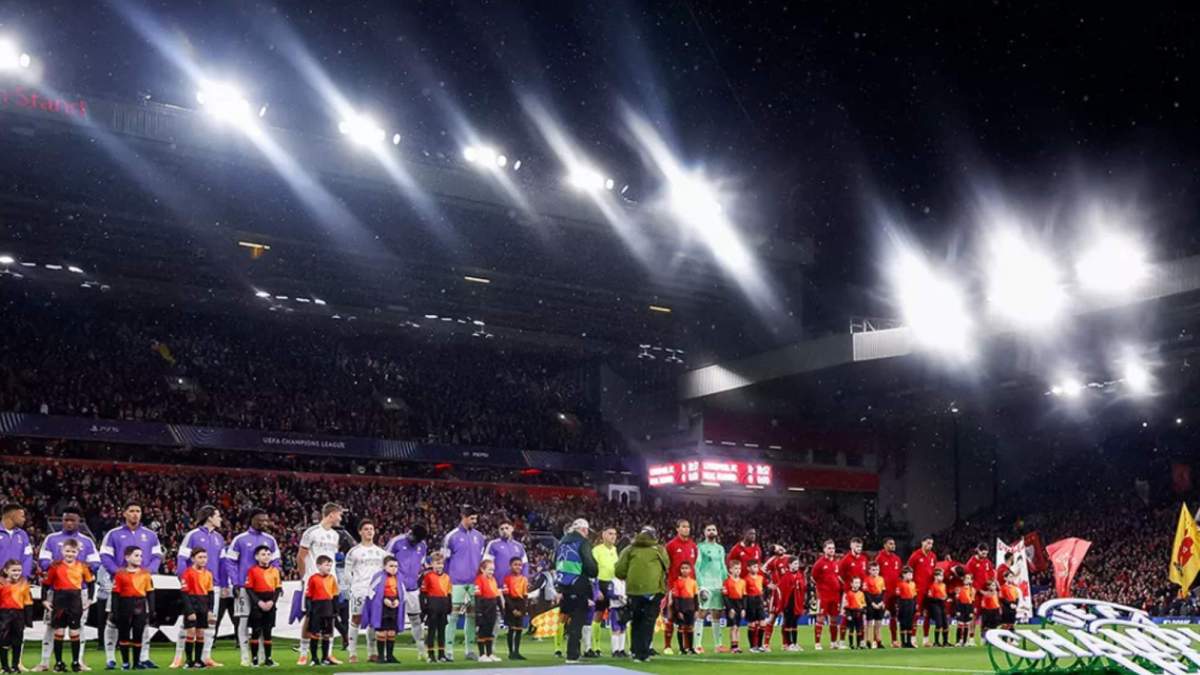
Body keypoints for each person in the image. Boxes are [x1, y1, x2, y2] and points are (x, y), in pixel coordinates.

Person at [99, 503, 162, 670]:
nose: (135, 514)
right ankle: (111, 658)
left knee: (144, 620)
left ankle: (144, 657)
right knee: (113, 619)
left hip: (142, 582)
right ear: (124, 513)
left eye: (138, 511)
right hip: (120, 582)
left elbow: (157, 555)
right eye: (132, 511)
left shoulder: (150, 535)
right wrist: (117, 572)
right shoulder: (114, 534)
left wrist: (150, 571)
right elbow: (105, 556)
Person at [36, 508, 100, 673]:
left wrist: (81, 567)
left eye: (73, 520)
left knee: (79, 626)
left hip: (80, 590)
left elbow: (96, 563)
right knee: (51, 626)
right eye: (66, 520)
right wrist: (58, 566)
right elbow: (43, 560)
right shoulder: (51, 538)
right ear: (62, 520)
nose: (69, 523)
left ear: (79, 521)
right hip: (55, 590)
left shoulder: (87, 541)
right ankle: (44, 662)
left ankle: (78, 661)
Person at [222, 509, 280, 667]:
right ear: (252, 520)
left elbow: (276, 563)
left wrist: (274, 583)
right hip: (245, 588)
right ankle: (245, 656)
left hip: (265, 590)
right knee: (243, 620)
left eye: (266, 520)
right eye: (261, 520)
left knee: (263, 623)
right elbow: (230, 562)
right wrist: (235, 582)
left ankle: (262, 656)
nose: (265, 523)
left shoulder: (270, 540)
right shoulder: (240, 539)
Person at [171, 506, 225, 669]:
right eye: (218, 515)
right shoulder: (192, 535)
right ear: (209, 517)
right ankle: (179, 657)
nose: (220, 519)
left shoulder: (219, 538)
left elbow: (222, 564)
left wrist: (223, 584)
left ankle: (206, 657)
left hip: (212, 585)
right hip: (193, 586)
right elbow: (181, 558)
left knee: (210, 622)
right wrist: (182, 579)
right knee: (187, 623)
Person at [296, 503, 344, 666]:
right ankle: (303, 653)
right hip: (313, 580)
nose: (341, 518)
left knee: (329, 618)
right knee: (309, 617)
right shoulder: (311, 532)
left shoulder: (335, 535)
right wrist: (304, 578)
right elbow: (300, 557)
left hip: (331, 581)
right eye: (339, 514)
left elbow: (332, 557)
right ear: (331, 514)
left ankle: (328, 654)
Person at [614, 526, 667, 664]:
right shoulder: (659, 550)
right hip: (653, 590)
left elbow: (619, 571)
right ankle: (644, 653)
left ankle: (635, 652)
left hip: (634, 591)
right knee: (648, 622)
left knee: (636, 621)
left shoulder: (629, 550)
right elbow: (667, 566)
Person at [41, 539, 93, 673]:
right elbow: (46, 584)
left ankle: (76, 662)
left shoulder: (82, 566)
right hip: (59, 600)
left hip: (75, 600)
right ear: (62, 551)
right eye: (67, 551)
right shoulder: (55, 566)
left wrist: (90, 599)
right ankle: (59, 663)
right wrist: (44, 600)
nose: (70, 554)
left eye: (73, 551)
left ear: (77, 552)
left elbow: (90, 582)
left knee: (74, 631)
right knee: (59, 631)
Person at [442, 505, 486, 662]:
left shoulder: (480, 537)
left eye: (476, 518)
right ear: (463, 517)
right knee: (452, 617)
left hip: (474, 583)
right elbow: (444, 561)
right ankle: (448, 651)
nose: (474, 521)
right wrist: (447, 582)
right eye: (472, 518)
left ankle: (469, 650)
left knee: (472, 617)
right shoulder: (451, 537)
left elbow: (481, 561)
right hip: (456, 582)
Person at [554, 519, 598, 664]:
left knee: (567, 619)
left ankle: (566, 650)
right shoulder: (583, 543)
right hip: (578, 584)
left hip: (563, 585)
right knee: (578, 620)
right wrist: (593, 571)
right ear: (584, 530)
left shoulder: (561, 543)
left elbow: (554, 561)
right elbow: (590, 566)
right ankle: (573, 655)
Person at [344, 520, 386, 664]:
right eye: (366, 529)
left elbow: (384, 573)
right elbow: (347, 572)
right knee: (356, 619)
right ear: (360, 532)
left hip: (375, 593)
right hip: (359, 590)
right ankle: (352, 652)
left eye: (371, 529)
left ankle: (372, 652)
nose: (369, 531)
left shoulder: (381, 553)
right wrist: (353, 587)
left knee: (373, 621)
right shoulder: (354, 552)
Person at [384, 525, 428, 658]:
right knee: (390, 620)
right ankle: (386, 653)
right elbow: (385, 562)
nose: (413, 540)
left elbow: (422, 565)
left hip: (413, 588)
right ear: (409, 531)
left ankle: (421, 651)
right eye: (412, 536)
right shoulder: (396, 542)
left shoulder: (423, 546)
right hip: (396, 587)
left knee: (416, 619)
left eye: (416, 540)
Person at [111, 548, 154, 671]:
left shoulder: (146, 574)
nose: (139, 558)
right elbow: (115, 595)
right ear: (127, 558)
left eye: (141, 555)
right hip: (125, 605)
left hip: (140, 605)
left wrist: (151, 610)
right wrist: (114, 611)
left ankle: (136, 663)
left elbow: (150, 593)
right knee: (124, 635)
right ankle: (125, 663)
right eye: (136, 555)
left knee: (138, 634)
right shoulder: (120, 574)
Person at [359, 556, 404, 664]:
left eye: (396, 566)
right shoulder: (378, 577)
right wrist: (383, 600)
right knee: (382, 632)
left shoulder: (399, 577)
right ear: (384, 566)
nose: (394, 568)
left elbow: (402, 593)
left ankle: (390, 656)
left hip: (394, 605)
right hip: (381, 607)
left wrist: (398, 601)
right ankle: (380, 656)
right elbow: (371, 593)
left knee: (392, 632)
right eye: (391, 566)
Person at [660, 520, 696, 655]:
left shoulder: (693, 546)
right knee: (670, 616)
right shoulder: (671, 545)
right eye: (683, 527)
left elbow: (693, 566)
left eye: (688, 526)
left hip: (689, 588)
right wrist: (668, 585)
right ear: (677, 529)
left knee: (687, 619)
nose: (686, 529)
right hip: (674, 587)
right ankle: (667, 646)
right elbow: (665, 565)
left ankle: (687, 647)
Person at [244, 546, 282, 667]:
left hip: (270, 603)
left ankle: (268, 659)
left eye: (268, 554)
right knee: (255, 632)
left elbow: (278, 589)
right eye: (263, 554)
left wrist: (272, 602)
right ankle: (254, 659)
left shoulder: (275, 570)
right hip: (257, 605)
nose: (266, 556)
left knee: (268, 632)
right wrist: (259, 602)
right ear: (257, 557)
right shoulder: (252, 571)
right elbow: (249, 589)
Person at [695, 524, 728, 654]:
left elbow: (723, 566)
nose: (711, 531)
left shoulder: (720, 548)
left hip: (718, 585)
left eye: (714, 529)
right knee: (702, 612)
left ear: (717, 532)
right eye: (709, 530)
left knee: (717, 614)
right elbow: (696, 566)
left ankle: (718, 645)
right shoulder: (700, 547)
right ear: (704, 533)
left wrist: (726, 582)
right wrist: (701, 585)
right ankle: (697, 645)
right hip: (706, 585)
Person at [178, 550, 214, 669]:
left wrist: (210, 610)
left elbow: (210, 593)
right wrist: (189, 611)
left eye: (205, 557)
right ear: (193, 559)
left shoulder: (208, 574)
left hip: (203, 604)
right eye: (200, 557)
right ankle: (189, 661)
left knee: (200, 633)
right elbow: (184, 594)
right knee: (191, 632)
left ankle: (198, 660)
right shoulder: (187, 573)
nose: (203, 559)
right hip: (192, 603)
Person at [304, 555, 339, 666]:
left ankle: (325, 658)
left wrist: (335, 610)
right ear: (319, 566)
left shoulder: (332, 578)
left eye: (330, 565)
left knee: (327, 635)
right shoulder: (313, 578)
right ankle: (314, 658)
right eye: (326, 565)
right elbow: (308, 596)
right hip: (317, 609)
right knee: (315, 634)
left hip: (328, 608)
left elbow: (335, 596)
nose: (329, 567)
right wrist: (309, 609)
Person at [590, 528, 619, 657]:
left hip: (613, 585)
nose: (613, 536)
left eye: (615, 534)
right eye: (610, 534)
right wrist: (596, 589)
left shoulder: (615, 550)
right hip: (601, 583)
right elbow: (593, 569)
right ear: (603, 535)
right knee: (598, 615)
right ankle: (596, 647)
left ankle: (617, 648)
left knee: (616, 615)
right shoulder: (596, 550)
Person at [1, 559, 33, 674]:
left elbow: (28, 601)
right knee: (4, 641)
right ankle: (5, 667)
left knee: (17, 641)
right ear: (6, 570)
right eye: (14, 570)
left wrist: (28, 620)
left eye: (19, 570)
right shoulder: (1, 583)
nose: (16, 573)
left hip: (19, 615)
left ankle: (15, 666)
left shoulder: (24, 583)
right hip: (4, 615)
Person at [419, 553, 452, 663]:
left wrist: (449, 606)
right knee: (432, 631)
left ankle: (442, 654)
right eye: (437, 563)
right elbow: (423, 593)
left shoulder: (447, 577)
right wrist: (424, 608)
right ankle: (431, 655)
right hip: (433, 605)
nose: (440, 566)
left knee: (442, 631)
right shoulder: (428, 576)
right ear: (432, 564)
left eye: (441, 563)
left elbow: (449, 593)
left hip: (443, 605)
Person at [837, 537, 869, 649]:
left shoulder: (864, 559)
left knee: (860, 618)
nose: (859, 548)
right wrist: (847, 586)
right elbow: (839, 575)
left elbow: (864, 574)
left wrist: (863, 585)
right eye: (856, 546)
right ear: (851, 546)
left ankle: (861, 642)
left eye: (860, 546)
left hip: (860, 593)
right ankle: (841, 641)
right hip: (848, 593)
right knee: (846, 617)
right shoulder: (846, 559)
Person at [811, 539, 842, 650]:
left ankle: (833, 642)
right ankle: (817, 643)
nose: (831, 550)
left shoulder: (836, 563)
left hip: (835, 595)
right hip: (823, 595)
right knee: (820, 618)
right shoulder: (819, 563)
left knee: (834, 619)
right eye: (829, 548)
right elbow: (813, 577)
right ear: (824, 549)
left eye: (833, 548)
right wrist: (821, 588)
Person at [906, 536, 937, 647]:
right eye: (928, 543)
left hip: (929, 591)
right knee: (916, 614)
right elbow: (907, 571)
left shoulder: (933, 556)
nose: (930, 545)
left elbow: (933, 573)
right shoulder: (915, 555)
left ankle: (925, 639)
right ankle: (913, 638)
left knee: (927, 615)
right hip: (917, 590)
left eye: (931, 543)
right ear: (922, 542)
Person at [874, 538, 903, 648]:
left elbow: (900, 575)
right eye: (890, 544)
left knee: (894, 617)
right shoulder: (879, 558)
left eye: (894, 543)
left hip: (894, 594)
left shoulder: (897, 559)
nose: (893, 545)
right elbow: (875, 575)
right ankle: (876, 641)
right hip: (883, 593)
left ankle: (894, 640)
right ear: (885, 545)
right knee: (878, 617)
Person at [964, 543, 994, 646]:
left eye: (986, 553)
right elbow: (969, 579)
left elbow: (991, 577)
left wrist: (991, 588)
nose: (984, 555)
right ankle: (970, 638)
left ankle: (983, 638)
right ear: (978, 551)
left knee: (985, 617)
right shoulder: (971, 562)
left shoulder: (987, 562)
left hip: (986, 594)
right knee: (974, 616)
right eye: (983, 553)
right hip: (976, 594)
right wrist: (981, 591)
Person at [473, 560, 501, 662]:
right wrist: (479, 613)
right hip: (483, 608)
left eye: (493, 570)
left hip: (492, 609)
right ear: (482, 569)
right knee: (482, 632)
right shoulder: (479, 580)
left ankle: (489, 654)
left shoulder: (493, 579)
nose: (491, 572)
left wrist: (501, 609)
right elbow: (478, 598)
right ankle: (482, 655)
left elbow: (496, 595)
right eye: (489, 569)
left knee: (490, 632)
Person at [500, 557, 528, 661]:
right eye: (515, 564)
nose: (518, 567)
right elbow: (506, 596)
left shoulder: (524, 579)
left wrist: (523, 610)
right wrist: (513, 610)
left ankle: (517, 651)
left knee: (519, 630)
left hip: (520, 604)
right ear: (510, 566)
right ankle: (511, 652)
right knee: (511, 629)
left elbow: (525, 596)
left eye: (520, 565)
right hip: (511, 603)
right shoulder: (507, 579)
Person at [669, 561, 698, 655]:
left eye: (686, 568)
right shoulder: (677, 582)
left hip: (690, 606)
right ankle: (682, 649)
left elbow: (695, 597)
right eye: (683, 568)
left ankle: (691, 648)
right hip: (681, 606)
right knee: (681, 627)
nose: (684, 570)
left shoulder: (693, 582)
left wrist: (696, 609)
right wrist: (678, 611)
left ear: (690, 570)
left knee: (690, 627)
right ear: (680, 570)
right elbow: (676, 598)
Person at [778, 557, 806, 652]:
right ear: (789, 565)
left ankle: (794, 643)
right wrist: (782, 606)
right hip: (788, 603)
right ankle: (788, 643)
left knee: (794, 624)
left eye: (797, 564)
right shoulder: (786, 577)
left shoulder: (800, 575)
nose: (796, 566)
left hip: (797, 603)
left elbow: (802, 589)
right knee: (788, 623)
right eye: (794, 564)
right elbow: (782, 591)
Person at [0, 505, 33, 582]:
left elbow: (28, 557)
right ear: (13, 516)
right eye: (22, 516)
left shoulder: (23, 534)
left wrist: (24, 576)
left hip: (17, 582)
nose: (24, 519)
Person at [722, 559, 746, 654]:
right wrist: (730, 608)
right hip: (731, 604)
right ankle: (733, 646)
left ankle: (737, 645)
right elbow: (725, 596)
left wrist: (744, 608)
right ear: (730, 570)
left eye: (739, 568)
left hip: (739, 604)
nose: (738, 570)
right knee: (733, 626)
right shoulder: (726, 582)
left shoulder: (742, 582)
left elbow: (744, 596)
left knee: (738, 626)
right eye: (735, 568)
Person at [743, 560, 766, 652]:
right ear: (748, 568)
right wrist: (744, 607)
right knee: (752, 624)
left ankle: (760, 645)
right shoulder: (746, 579)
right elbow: (744, 594)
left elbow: (762, 589)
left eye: (757, 566)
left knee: (762, 623)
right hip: (750, 601)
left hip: (759, 600)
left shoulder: (760, 577)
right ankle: (752, 646)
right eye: (753, 567)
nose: (756, 568)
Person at [864, 561, 887, 649]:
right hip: (870, 602)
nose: (875, 571)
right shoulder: (867, 579)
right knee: (869, 623)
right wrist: (872, 603)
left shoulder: (881, 579)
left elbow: (884, 592)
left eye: (877, 570)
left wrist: (881, 602)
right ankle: (868, 641)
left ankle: (878, 641)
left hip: (879, 600)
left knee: (878, 623)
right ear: (869, 570)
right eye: (873, 570)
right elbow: (866, 593)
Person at [925, 568, 949, 647]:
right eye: (940, 575)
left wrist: (945, 597)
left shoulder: (944, 585)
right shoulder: (932, 586)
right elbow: (929, 597)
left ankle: (945, 641)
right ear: (935, 576)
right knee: (939, 623)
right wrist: (939, 598)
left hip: (942, 604)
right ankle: (936, 642)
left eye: (942, 576)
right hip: (935, 605)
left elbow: (944, 594)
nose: (942, 577)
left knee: (945, 623)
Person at [842, 577, 866, 649]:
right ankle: (851, 644)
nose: (857, 584)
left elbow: (863, 604)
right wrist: (848, 615)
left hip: (859, 613)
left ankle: (858, 645)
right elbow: (846, 606)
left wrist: (863, 612)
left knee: (859, 630)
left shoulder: (861, 593)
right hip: (851, 613)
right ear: (851, 584)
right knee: (851, 630)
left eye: (858, 583)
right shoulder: (849, 594)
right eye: (855, 583)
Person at [897, 567, 918, 648]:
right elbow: (898, 596)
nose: (910, 576)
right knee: (903, 623)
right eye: (908, 574)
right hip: (903, 603)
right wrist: (898, 606)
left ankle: (909, 642)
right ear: (903, 575)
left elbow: (915, 595)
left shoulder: (913, 584)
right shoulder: (900, 584)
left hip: (911, 603)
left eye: (911, 574)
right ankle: (903, 642)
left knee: (910, 623)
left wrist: (915, 604)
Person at [954, 572, 976, 647]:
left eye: (969, 578)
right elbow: (957, 601)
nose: (967, 580)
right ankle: (958, 641)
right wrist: (957, 610)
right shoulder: (959, 589)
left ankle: (965, 641)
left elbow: (972, 601)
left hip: (968, 608)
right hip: (961, 607)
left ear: (971, 581)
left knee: (967, 624)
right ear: (963, 580)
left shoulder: (972, 590)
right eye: (966, 578)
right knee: (960, 624)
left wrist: (971, 611)